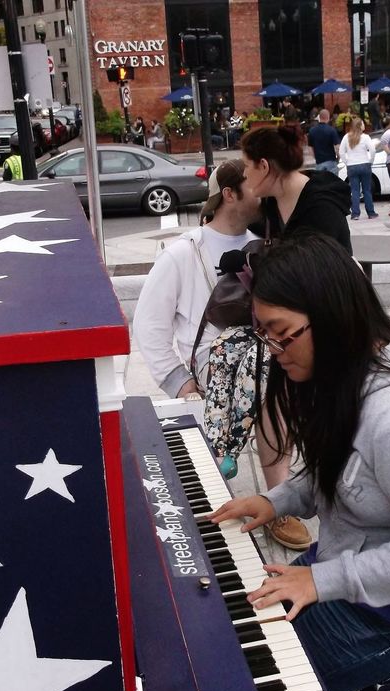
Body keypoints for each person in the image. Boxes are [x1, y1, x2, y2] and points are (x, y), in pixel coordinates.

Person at [209, 234, 390, 691]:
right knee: (231, 627)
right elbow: (339, 469)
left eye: (281, 333)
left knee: (244, 689)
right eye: (265, 334)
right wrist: (275, 501)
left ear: (331, 317)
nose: (273, 349)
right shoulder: (344, 375)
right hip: (349, 571)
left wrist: (320, 580)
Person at [132, 160, 306, 550]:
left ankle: (274, 499)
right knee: (269, 374)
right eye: (253, 184)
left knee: (272, 374)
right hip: (212, 361)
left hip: (262, 356)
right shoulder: (184, 253)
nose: (263, 190)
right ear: (229, 194)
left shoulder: (264, 243)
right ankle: (268, 498)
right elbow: (149, 324)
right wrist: (179, 381)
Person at [241, 125, 352, 254]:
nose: (244, 174)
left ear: (263, 166)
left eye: (246, 165)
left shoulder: (322, 209)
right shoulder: (271, 201)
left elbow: (313, 263)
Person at [339, 117, 378, 220]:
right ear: (360, 126)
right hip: (364, 164)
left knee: (355, 190)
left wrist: (347, 162)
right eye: (363, 124)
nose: (364, 125)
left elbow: (341, 152)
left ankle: (355, 214)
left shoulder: (346, 137)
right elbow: (373, 150)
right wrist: (371, 161)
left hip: (352, 165)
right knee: (367, 190)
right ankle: (371, 213)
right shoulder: (365, 137)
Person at [307, 109, 340, 174]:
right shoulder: (332, 130)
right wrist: (338, 157)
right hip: (331, 161)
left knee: (321, 180)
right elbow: (337, 147)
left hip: (319, 162)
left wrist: (315, 157)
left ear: (319, 117)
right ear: (328, 117)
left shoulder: (312, 131)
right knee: (333, 180)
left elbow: (310, 148)